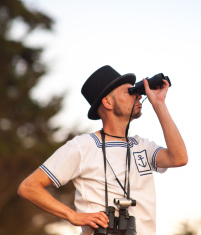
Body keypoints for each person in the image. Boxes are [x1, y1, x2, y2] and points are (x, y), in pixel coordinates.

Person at [18, 65, 188, 235]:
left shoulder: (142, 146)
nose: (138, 94)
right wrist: (72, 215)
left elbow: (179, 158)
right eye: (129, 92)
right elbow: (29, 187)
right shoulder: (83, 146)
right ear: (107, 102)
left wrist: (159, 104)